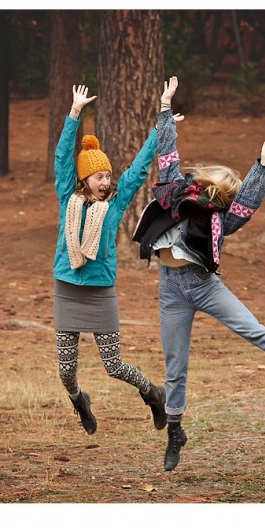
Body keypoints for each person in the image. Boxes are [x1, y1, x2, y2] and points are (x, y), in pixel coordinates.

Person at [133, 76, 265, 472]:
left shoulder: (220, 220)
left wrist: (261, 166)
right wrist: (164, 109)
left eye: (221, 195)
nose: (214, 197)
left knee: (253, 328)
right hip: (171, 290)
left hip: (204, 286)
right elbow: (168, 155)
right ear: (204, 183)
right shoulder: (173, 193)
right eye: (215, 189)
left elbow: (247, 204)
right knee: (175, 366)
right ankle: (175, 430)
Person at [52, 84, 166, 435]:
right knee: (66, 371)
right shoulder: (67, 198)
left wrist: (161, 127)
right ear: (84, 179)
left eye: (108, 176)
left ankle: (152, 394)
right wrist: (74, 114)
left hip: (100, 291)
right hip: (67, 289)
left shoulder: (113, 206)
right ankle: (79, 402)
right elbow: (61, 160)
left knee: (113, 365)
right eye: (100, 176)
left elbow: (138, 170)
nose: (107, 181)